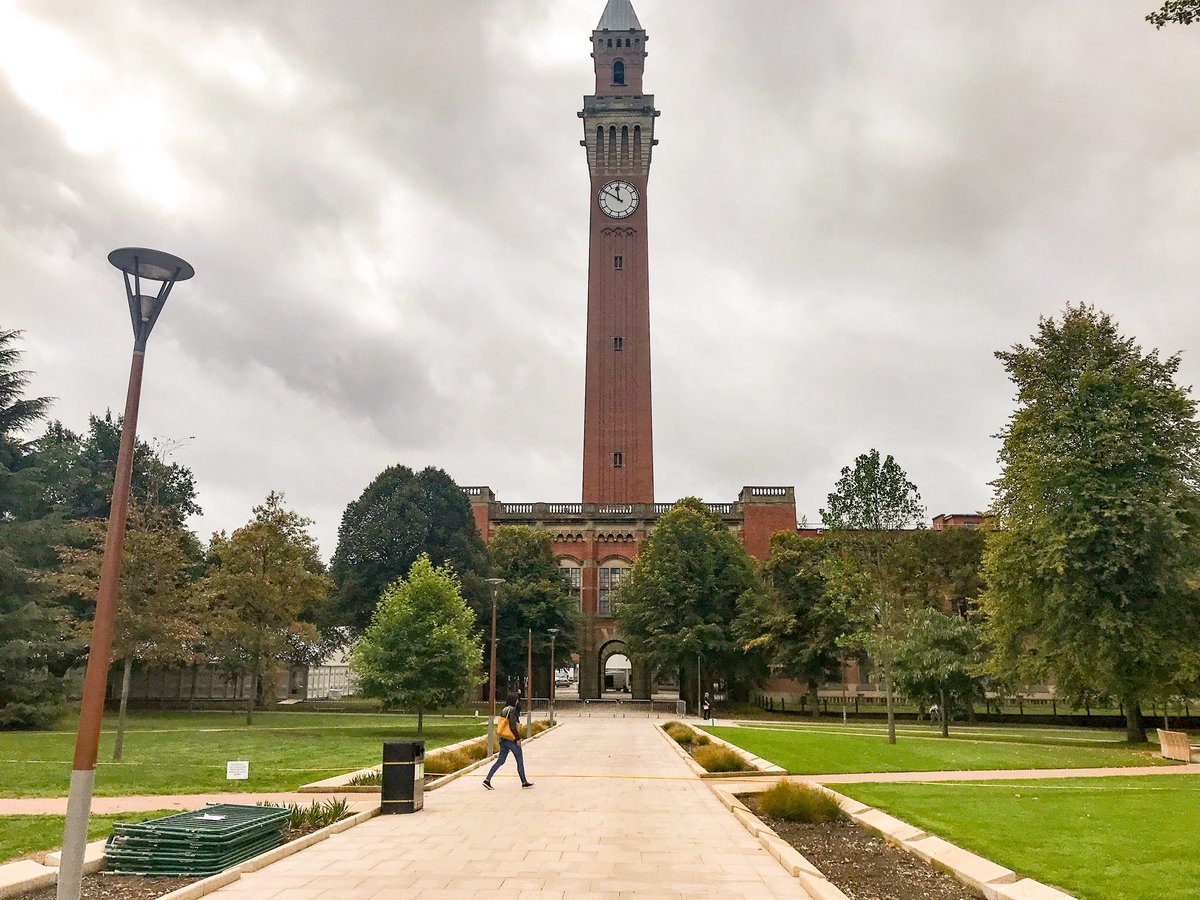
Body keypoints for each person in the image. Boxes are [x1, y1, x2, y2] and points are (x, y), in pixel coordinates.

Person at [482, 691, 533, 790]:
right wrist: (517, 738)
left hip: (503, 738)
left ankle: (487, 779)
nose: (518, 701)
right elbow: (512, 726)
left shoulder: (505, 709)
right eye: (517, 699)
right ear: (514, 700)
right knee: (519, 760)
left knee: (500, 760)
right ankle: (524, 781)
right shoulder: (513, 710)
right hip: (511, 739)